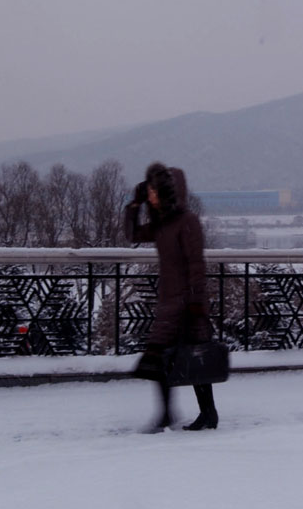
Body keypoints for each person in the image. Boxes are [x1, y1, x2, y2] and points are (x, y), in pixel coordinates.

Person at [124, 162, 218, 432]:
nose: (150, 195)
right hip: (169, 303)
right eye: (149, 191)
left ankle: (206, 414)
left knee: (193, 356)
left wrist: (197, 304)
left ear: (166, 192)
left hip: (187, 303)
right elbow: (132, 235)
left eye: (153, 191)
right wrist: (134, 205)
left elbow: (196, 265)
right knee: (160, 358)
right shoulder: (162, 224)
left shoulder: (187, 222)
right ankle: (170, 413)